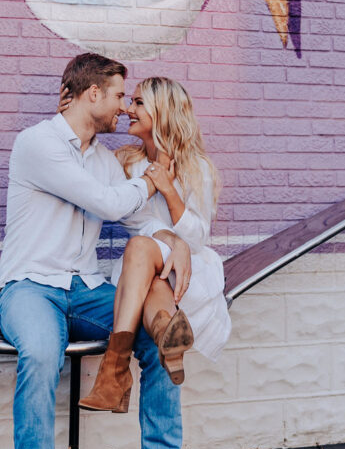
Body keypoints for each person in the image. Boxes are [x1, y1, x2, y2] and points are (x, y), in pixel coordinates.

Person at [0, 53, 226, 449]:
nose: (125, 108)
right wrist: (152, 180)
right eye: (120, 96)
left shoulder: (103, 160)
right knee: (42, 356)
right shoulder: (38, 143)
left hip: (84, 287)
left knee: (159, 340)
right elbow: (106, 202)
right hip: (29, 285)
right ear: (89, 94)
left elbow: (136, 219)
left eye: (131, 100)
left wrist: (169, 237)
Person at [75, 76, 231, 414]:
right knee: (143, 253)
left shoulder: (196, 168)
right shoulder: (126, 163)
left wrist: (168, 188)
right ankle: (166, 329)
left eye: (138, 103)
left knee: (141, 247)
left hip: (186, 271)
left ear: (162, 112)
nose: (129, 109)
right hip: (141, 276)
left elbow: (197, 240)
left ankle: (113, 373)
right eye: (130, 101)